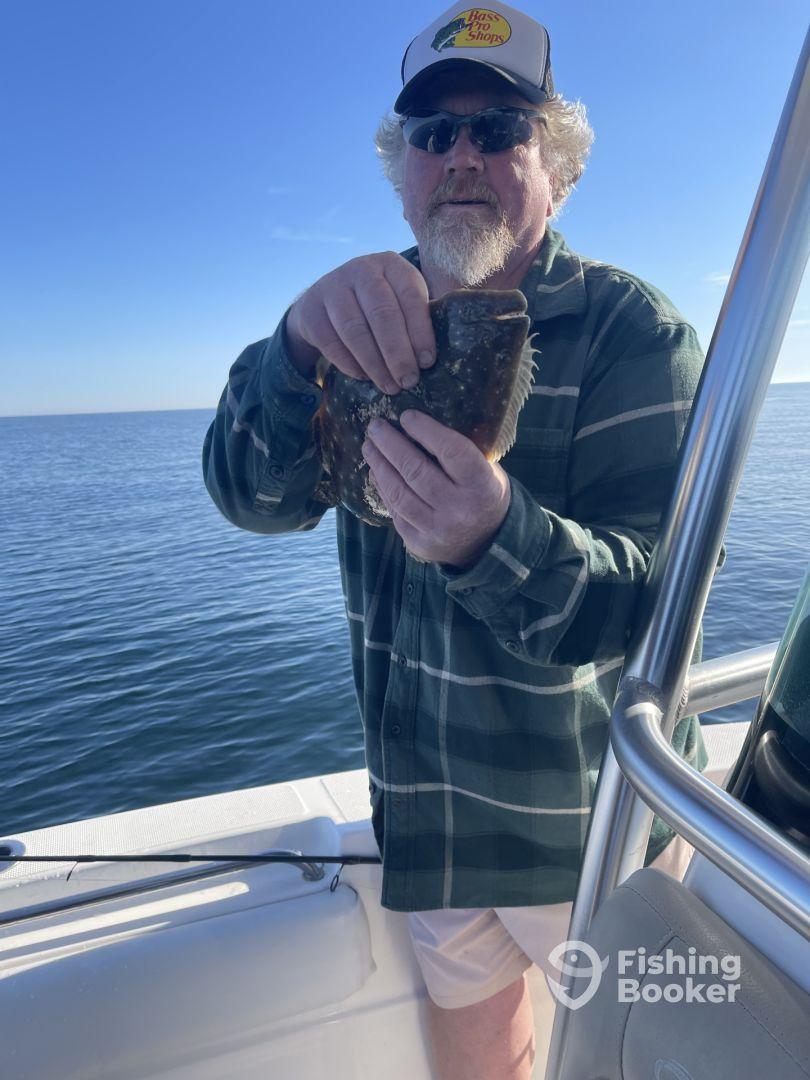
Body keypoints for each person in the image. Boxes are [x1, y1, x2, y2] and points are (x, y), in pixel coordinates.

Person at [203, 3, 714, 1076]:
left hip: (583, 840)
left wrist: (497, 537)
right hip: (427, 821)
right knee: (481, 1060)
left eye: (501, 129)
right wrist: (293, 348)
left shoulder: (636, 334)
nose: (463, 155)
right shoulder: (344, 322)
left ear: (558, 166)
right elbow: (249, 497)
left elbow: (651, 608)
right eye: (434, 135)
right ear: (403, 170)